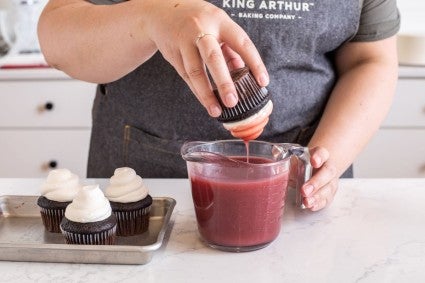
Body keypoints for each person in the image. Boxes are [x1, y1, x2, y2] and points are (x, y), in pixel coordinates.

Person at [37, 0, 400, 211]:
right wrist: (153, 18)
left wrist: (327, 159)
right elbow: (57, 38)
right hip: (143, 198)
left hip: (295, 201)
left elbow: (370, 60)